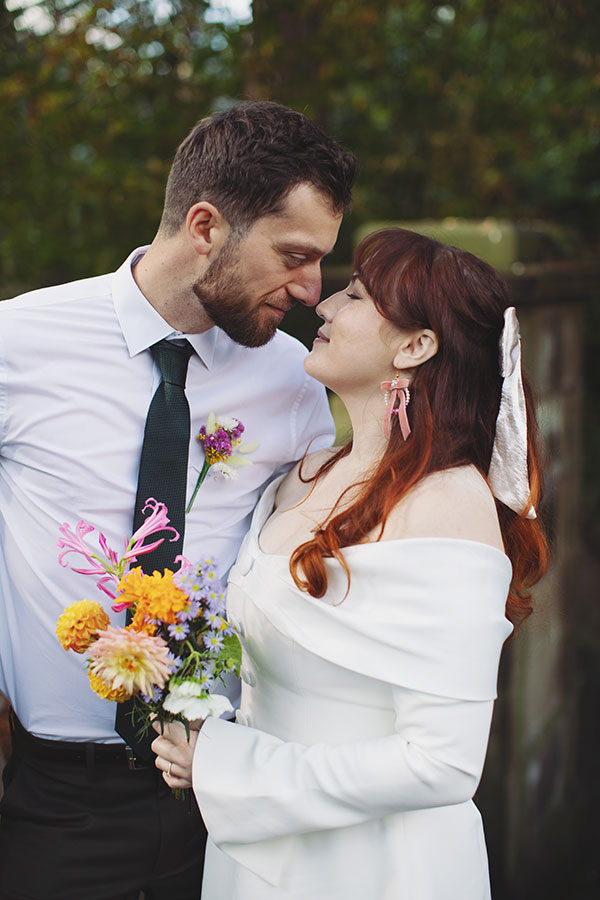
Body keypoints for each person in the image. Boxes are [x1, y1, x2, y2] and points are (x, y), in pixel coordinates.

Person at [0, 101, 357, 900]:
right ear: (205, 226)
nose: (311, 289)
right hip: (58, 804)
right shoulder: (16, 343)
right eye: (295, 254)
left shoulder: (293, 381)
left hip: (229, 797)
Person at [152, 227, 550, 900]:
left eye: (357, 295)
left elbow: (443, 764)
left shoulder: (449, 504)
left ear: (417, 345)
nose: (325, 306)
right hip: (256, 853)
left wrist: (224, 764)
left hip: (375, 868)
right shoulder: (295, 476)